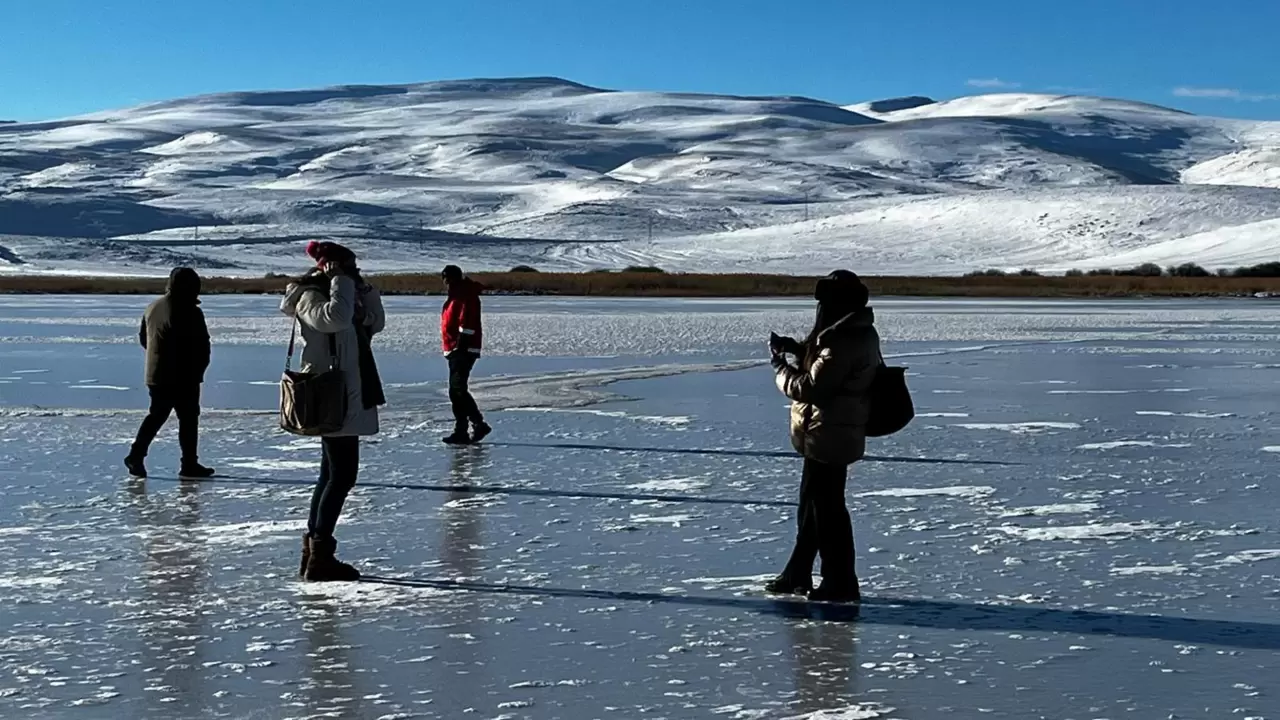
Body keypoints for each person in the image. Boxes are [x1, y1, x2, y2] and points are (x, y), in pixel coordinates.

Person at [766, 270, 883, 603]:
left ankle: (840, 582)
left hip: (829, 434)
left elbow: (812, 388)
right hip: (828, 432)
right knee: (813, 508)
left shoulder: (842, 339)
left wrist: (780, 369)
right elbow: (825, 367)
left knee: (827, 512)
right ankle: (799, 572)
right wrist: (795, 349)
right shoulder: (852, 332)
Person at [281, 241, 386, 581]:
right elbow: (335, 320)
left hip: (348, 394)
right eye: (347, 268)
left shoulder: (345, 296)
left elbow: (376, 323)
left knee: (331, 474)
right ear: (330, 268)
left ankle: (314, 551)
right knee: (341, 475)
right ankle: (320, 555)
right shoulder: (310, 297)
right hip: (331, 395)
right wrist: (341, 281)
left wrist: (365, 291)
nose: (354, 273)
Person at [125, 267, 215, 480]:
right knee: (188, 419)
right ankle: (188, 464)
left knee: (158, 415)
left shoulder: (153, 307)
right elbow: (201, 345)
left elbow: (144, 339)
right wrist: (198, 369)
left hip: (157, 373)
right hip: (182, 375)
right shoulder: (188, 310)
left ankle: (137, 455)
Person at [440, 265, 492, 445]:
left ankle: (477, 424)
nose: (446, 280)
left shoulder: (465, 294)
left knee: (458, 389)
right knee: (456, 390)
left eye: (448, 277)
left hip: (463, 348)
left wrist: (461, 343)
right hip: (454, 347)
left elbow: (467, 321)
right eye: (444, 277)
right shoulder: (455, 294)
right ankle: (463, 429)